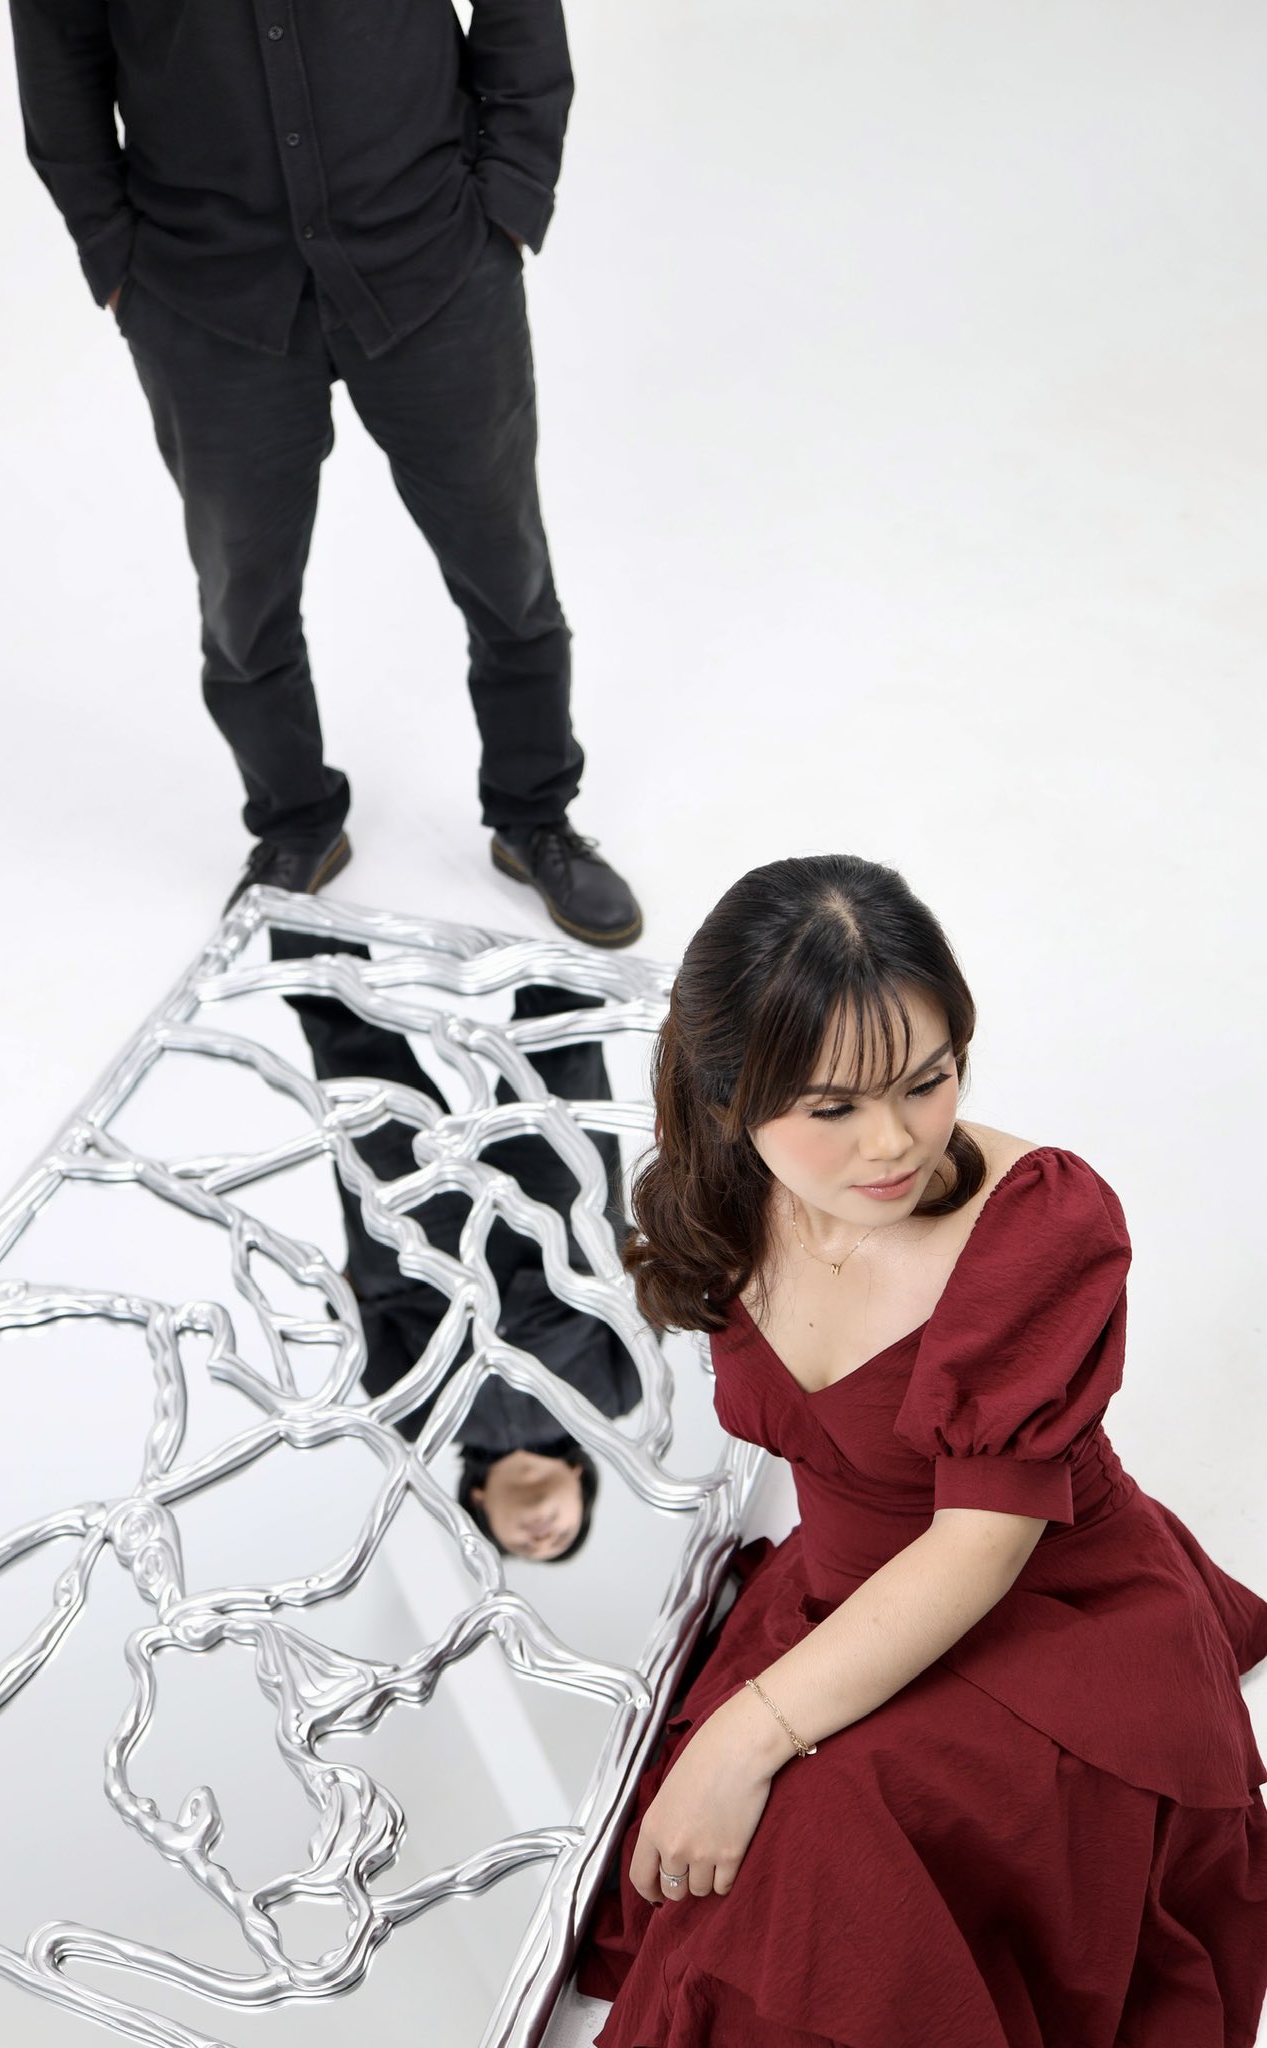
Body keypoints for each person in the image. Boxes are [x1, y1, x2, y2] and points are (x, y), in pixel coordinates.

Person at [577, 854, 1267, 2046]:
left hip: (1044, 1615)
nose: (891, 1142)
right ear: (730, 1099)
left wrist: (751, 1728)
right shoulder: (733, 1196)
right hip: (843, 1596)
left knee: (817, 1865)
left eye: (926, 1080)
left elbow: (975, 1551)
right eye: (831, 1107)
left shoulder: (1036, 1223)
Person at [6, 2, 642, 948]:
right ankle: (295, 823)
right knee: (243, 599)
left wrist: (513, 193)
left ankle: (535, 814)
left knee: (505, 567)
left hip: (435, 259)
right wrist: (115, 261)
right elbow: (59, 66)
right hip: (207, 297)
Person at [272, 929, 641, 1560]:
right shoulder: (616, 1398)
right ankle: (561, 913)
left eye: (522, 1545)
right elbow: (646, 1294)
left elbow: (360, 1327)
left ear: (478, 1503)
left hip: (418, 1247)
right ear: (582, 1486)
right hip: (558, 1228)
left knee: (356, 1066)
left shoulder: (420, 1426)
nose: (542, 1536)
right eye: (564, 1536)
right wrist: (607, 1236)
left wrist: (377, 1257)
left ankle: (304, 919)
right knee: (563, 1054)